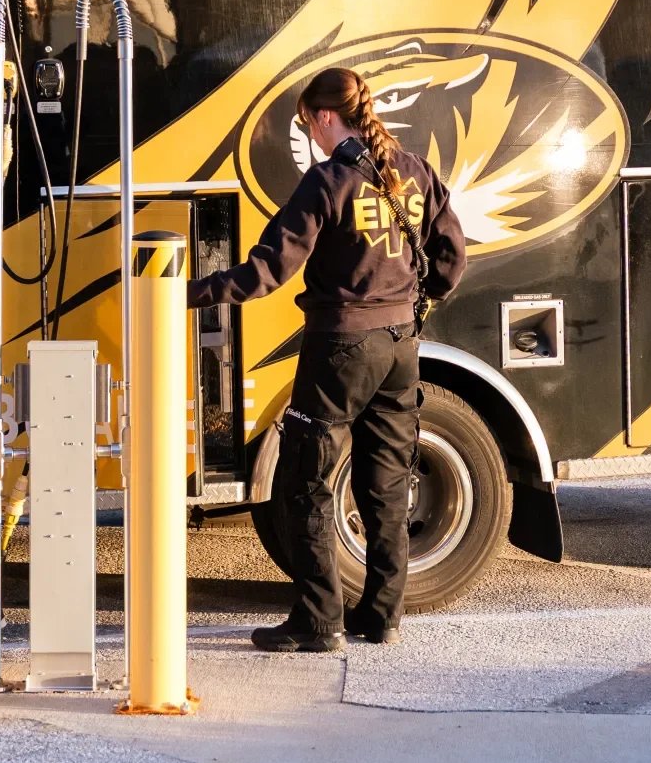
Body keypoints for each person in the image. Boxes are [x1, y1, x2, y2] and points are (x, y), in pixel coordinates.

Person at [188, 66, 466, 652]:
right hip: (401, 347)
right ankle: (382, 615)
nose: (310, 135)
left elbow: (269, 270)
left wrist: (191, 291)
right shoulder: (413, 172)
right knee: (386, 482)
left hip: (341, 348)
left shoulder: (328, 180)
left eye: (306, 123)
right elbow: (450, 258)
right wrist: (417, 301)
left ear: (323, 117)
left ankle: (320, 621)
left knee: (305, 480)